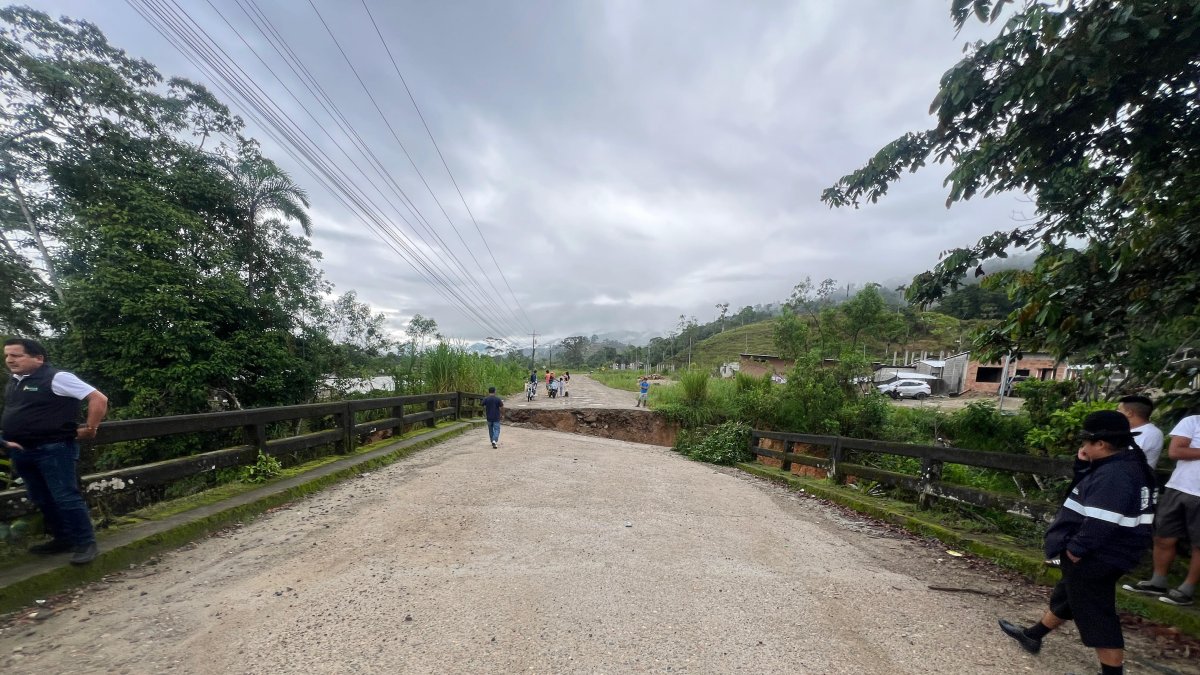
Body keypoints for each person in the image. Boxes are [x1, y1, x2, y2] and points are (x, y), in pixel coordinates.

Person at [998, 411, 1155, 675]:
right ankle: (1033, 635)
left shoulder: (1115, 475)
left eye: (1085, 442)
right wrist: (1082, 466)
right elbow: (1089, 495)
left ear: (1101, 444)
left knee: (1097, 615)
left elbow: (1102, 521)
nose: (1082, 447)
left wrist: (1076, 549)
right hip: (1113, 552)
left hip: (1098, 555)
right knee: (1071, 595)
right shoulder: (1127, 465)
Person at [1, 338, 108, 565]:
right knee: (41, 497)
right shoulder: (14, 381)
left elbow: (98, 398)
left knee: (65, 496)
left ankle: (85, 543)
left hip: (54, 448)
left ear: (38, 358)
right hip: (22, 450)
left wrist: (91, 428)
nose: (10, 360)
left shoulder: (57, 377)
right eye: (7, 355)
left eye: (16, 355)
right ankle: (63, 539)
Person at [1123, 410, 1200, 606]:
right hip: (1178, 486)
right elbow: (1176, 451)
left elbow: (1184, 450)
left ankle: (1187, 589)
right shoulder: (1193, 421)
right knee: (1163, 536)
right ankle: (1158, 581)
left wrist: (1193, 450)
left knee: (1198, 544)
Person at [1118, 394, 1163, 468]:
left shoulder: (1150, 433)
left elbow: (1123, 458)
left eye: (1119, 410)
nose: (1117, 412)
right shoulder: (1128, 430)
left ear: (1129, 413)